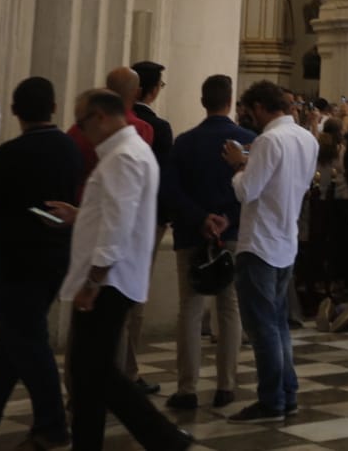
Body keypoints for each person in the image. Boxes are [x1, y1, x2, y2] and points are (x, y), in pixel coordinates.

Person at [51, 90, 190, 451]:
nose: (80, 132)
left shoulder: (123, 157)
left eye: (81, 123)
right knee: (89, 374)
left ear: (100, 117)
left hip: (109, 280)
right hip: (112, 276)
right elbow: (115, 213)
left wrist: (93, 280)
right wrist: (79, 215)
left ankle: (165, 439)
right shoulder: (124, 153)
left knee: (97, 372)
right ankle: (95, 442)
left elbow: (119, 224)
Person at [0, 77, 81, 450]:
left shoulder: (7, 154)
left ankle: (52, 427)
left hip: (14, 263)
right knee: (14, 341)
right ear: (54, 107)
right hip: (56, 259)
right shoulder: (70, 149)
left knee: (28, 341)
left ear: (14, 111)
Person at [221, 81, 319, 423]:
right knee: (277, 325)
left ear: (261, 107)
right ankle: (287, 393)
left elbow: (247, 191)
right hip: (285, 239)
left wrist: (238, 164)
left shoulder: (268, 140)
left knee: (262, 328)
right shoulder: (306, 138)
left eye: (252, 112)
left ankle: (271, 400)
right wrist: (252, 161)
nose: (252, 119)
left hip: (259, 243)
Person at [161, 74, 253, 411]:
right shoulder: (247, 140)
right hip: (231, 234)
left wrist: (201, 218)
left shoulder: (184, 142)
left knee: (190, 308)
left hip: (191, 234)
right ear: (231, 102)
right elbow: (251, 190)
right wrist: (226, 218)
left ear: (203, 101)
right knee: (229, 308)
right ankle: (226, 386)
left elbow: (170, 190)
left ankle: (187, 388)